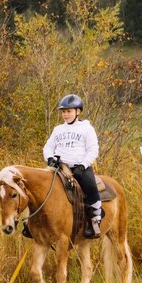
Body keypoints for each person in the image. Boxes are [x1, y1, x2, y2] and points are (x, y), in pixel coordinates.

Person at [43, 93, 102, 239]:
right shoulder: (58, 130)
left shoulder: (86, 128)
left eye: (69, 111)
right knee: (40, 186)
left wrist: (83, 165)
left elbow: (93, 150)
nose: (65, 114)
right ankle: (31, 223)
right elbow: (47, 147)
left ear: (78, 111)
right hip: (59, 167)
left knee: (91, 187)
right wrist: (50, 159)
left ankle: (95, 220)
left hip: (80, 167)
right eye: (63, 111)